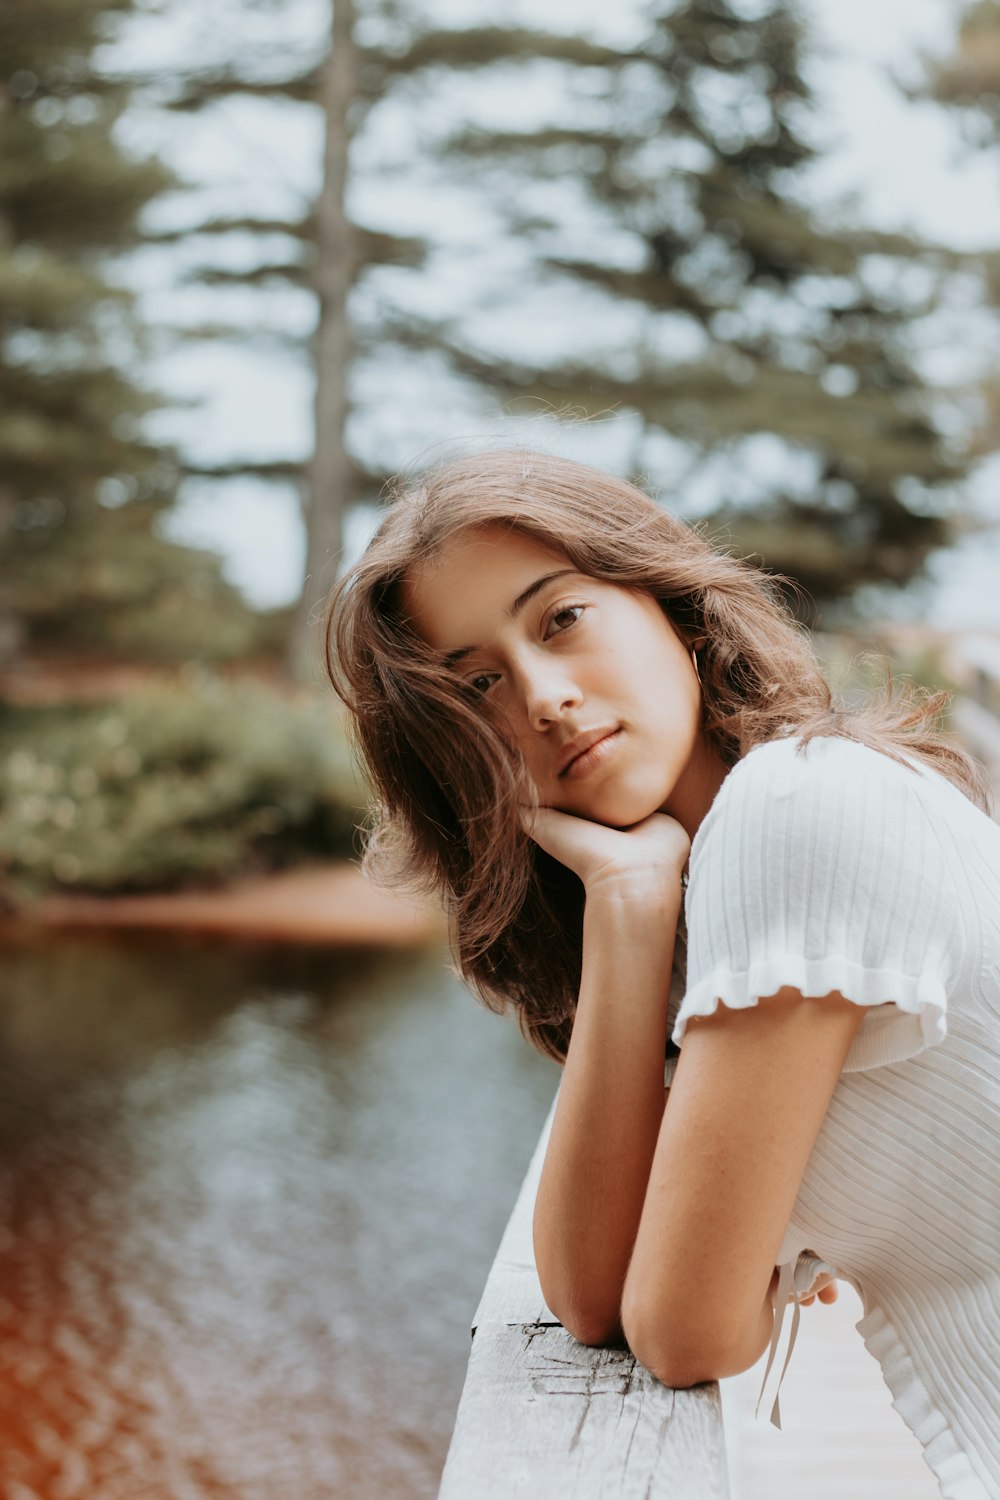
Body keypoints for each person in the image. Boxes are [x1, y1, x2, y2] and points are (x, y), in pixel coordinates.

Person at [326, 447, 1000, 1500]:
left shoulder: (796, 808)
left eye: (561, 618)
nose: (544, 699)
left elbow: (683, 1332)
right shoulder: (707, 874)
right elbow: (593, 1298)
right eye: (478, 684)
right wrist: (630, 905)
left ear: (671, 605)